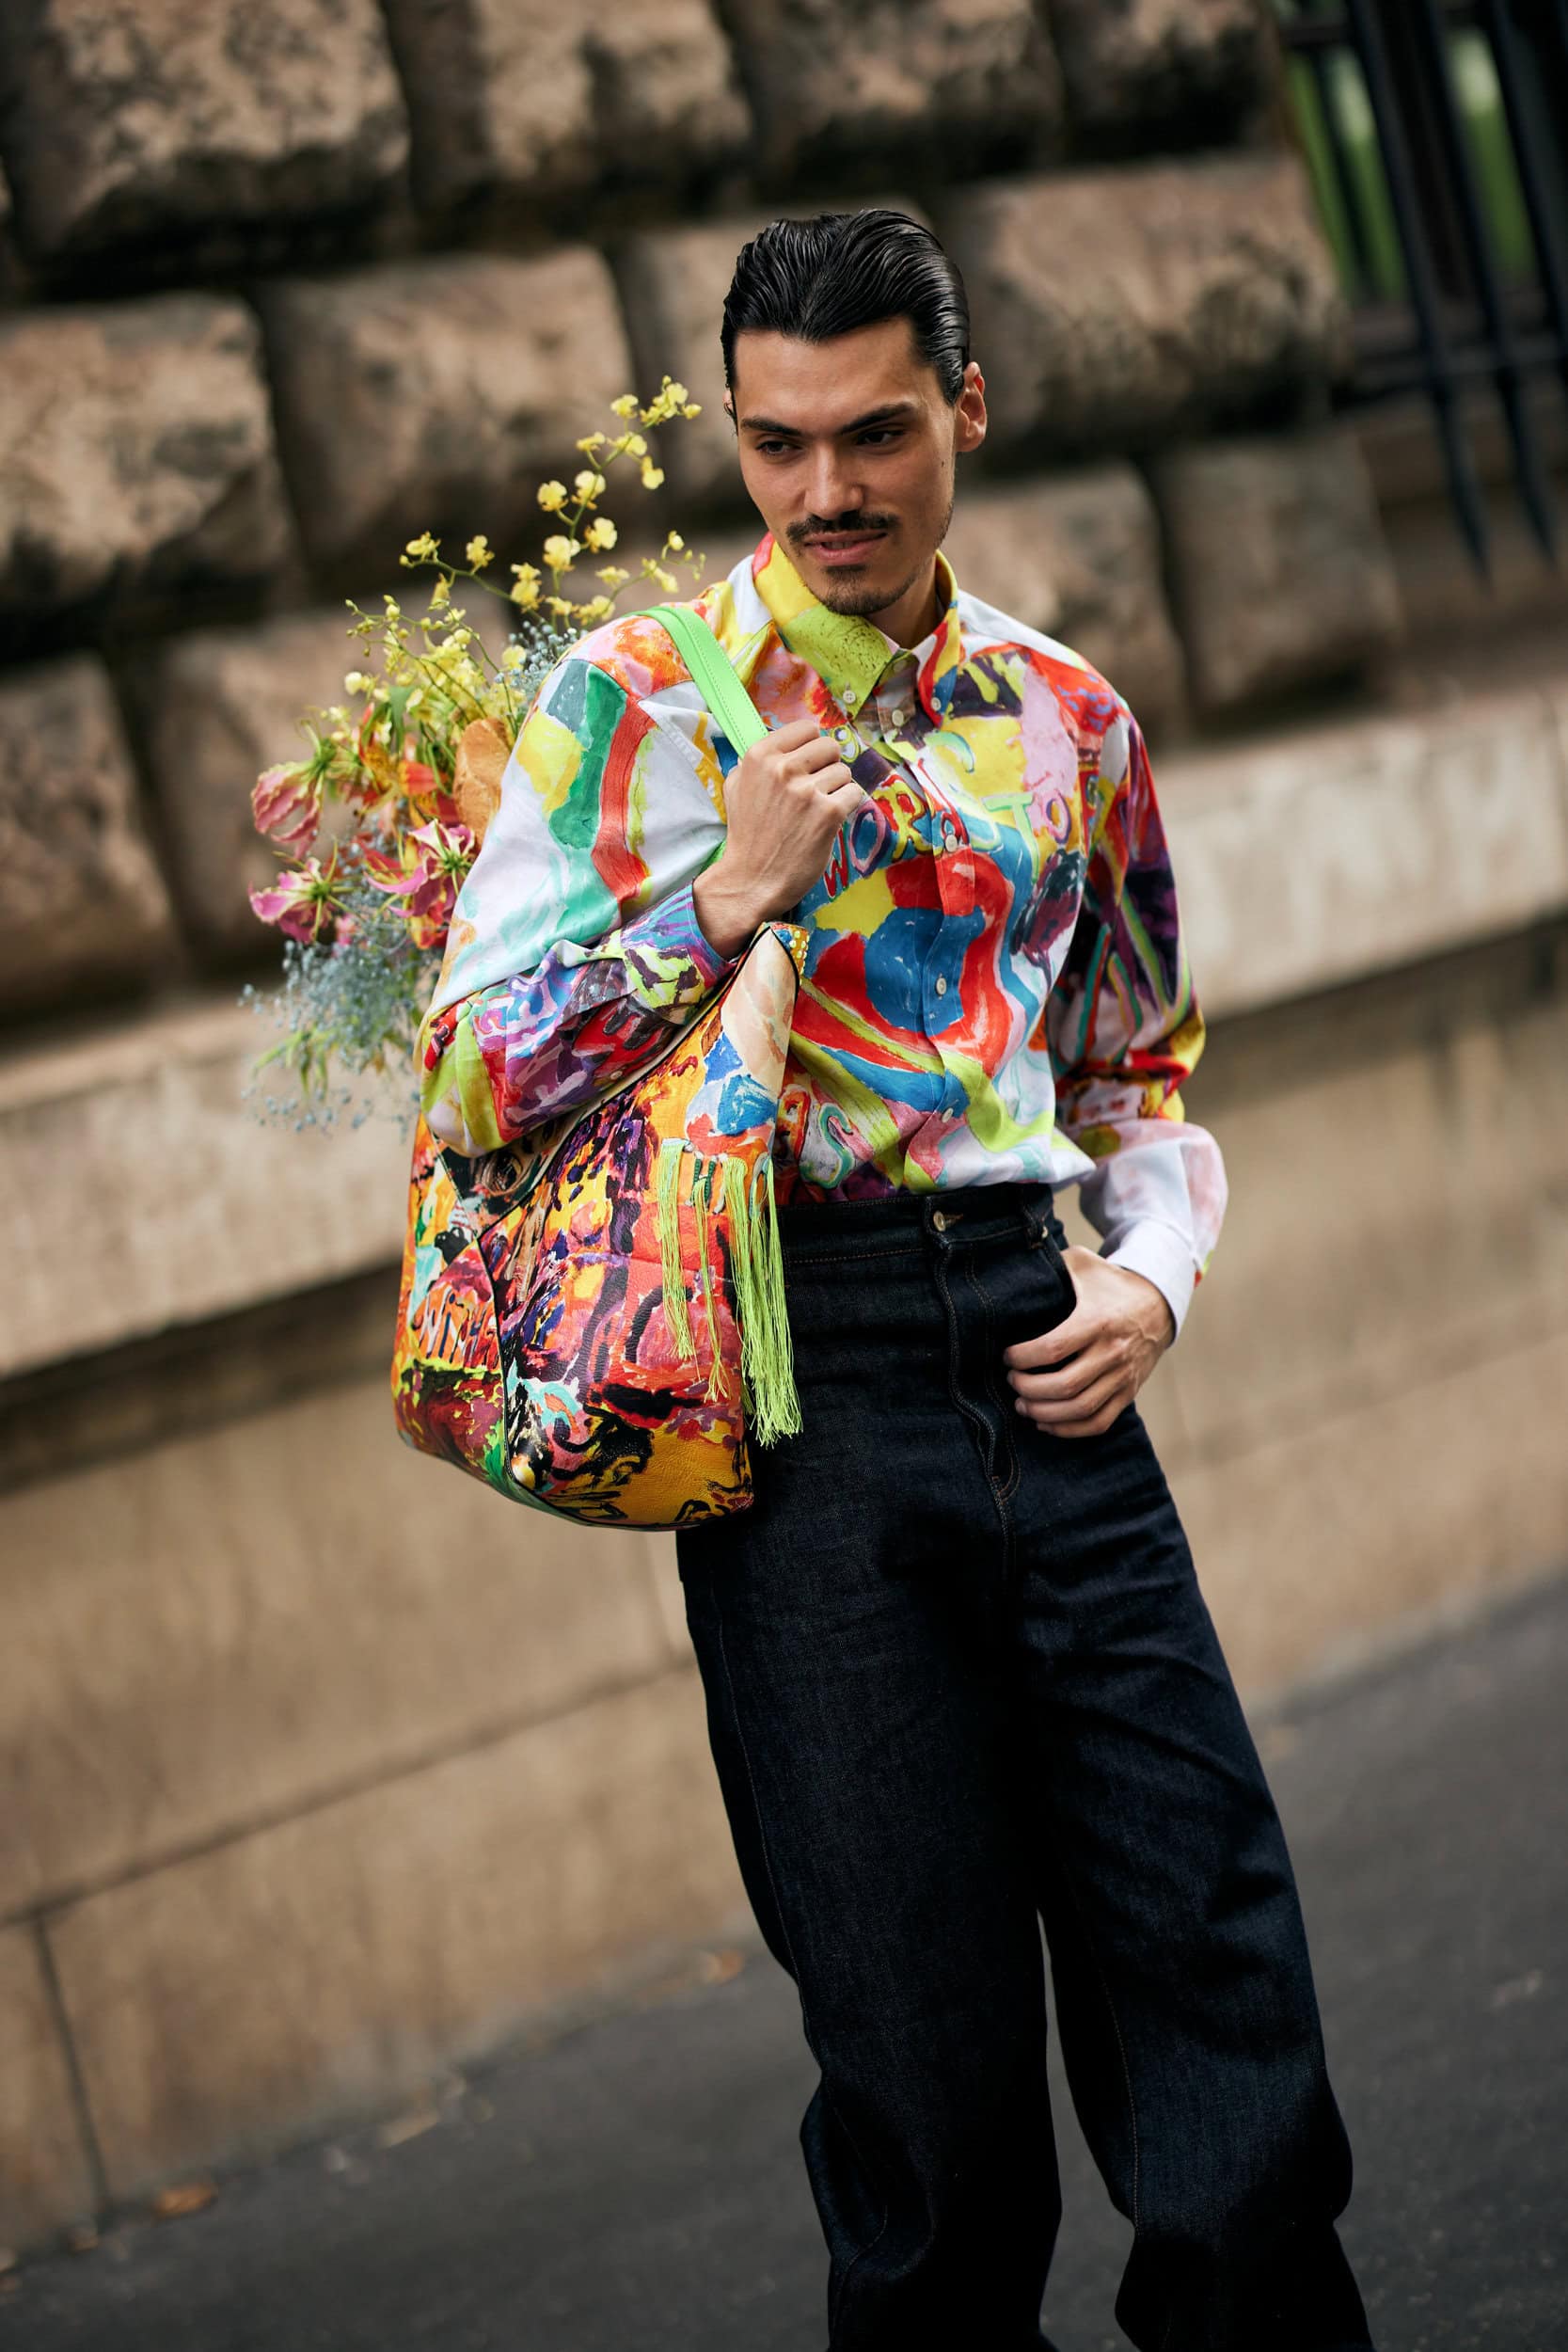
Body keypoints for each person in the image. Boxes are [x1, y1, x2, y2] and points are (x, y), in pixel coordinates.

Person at [418, 210, 1376, 2352]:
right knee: (928, 2102)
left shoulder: (1070, 718)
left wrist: (1156, 1272)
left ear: (966, 409)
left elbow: (1135, 1062)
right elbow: (469, 1077)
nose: (826, 490)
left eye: (874, 434)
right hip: (801, 1394)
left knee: (1221, 1988)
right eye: (776, 444)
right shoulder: (626, 708)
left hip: (1051, 1360)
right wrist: (719, 903)